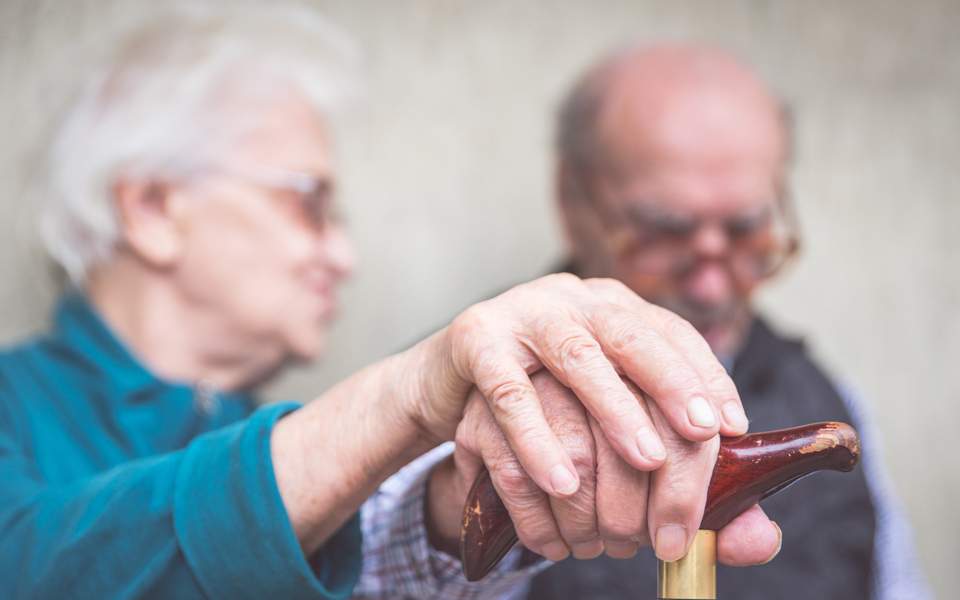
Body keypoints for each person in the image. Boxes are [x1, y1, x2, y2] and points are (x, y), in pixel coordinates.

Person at [0, 8, 781, 600]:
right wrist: (403, 394)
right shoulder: (14, 409)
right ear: (151, 208)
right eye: (309, 204)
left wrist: (482, 491)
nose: (344, 257)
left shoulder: (253, 432)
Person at [520, 44, 930, 600]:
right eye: (663, 232)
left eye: (745, 230)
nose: (711, 288)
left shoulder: (830, 402)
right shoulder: (485, 404)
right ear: (572, 202)